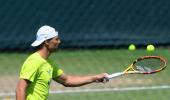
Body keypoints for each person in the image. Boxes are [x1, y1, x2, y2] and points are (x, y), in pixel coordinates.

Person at [15, 25, 109, 100]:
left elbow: (67, 80)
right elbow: (20, 88)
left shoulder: (48, 63)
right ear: (46, 42)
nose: (59, 41)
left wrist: (94, 78)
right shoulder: (34, 61)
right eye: (56, 39)